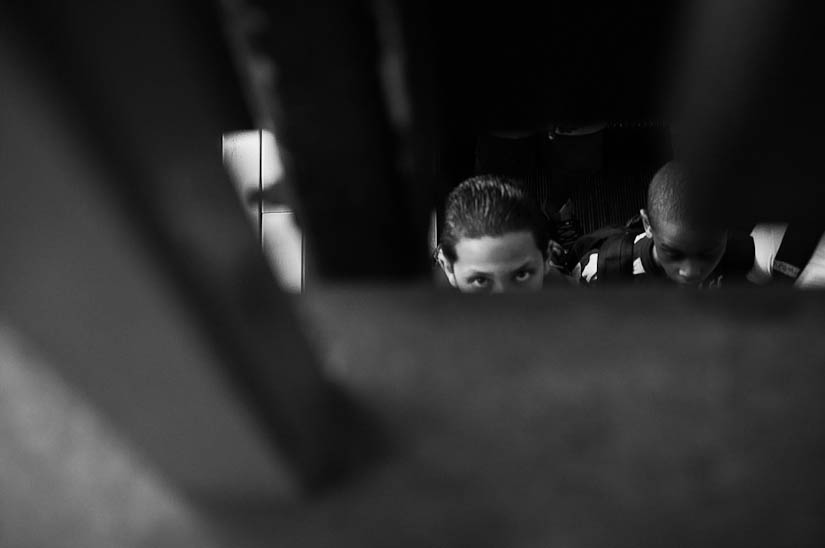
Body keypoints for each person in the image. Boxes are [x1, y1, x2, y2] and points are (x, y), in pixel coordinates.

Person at [573, 161, 753, 287]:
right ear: (647, 224)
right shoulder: (603, 272)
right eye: (673, 253)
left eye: (707, 253)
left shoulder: (747, 253)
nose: (690, 272)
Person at [435, 175, 568, 293]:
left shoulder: (572, 304)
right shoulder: (424, 309)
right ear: (448, 268)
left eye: (522, 275)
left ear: (546, 258)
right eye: (480, 280)